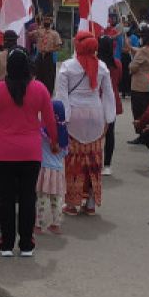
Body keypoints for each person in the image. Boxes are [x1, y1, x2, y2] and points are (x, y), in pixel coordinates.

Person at [0, 49, 58, 256]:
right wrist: (54, 142)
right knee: (27, 197)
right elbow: (50, 120)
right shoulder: (40, 89)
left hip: (4, 151)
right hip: (31, 152)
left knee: (5, 198)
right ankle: (26, 244)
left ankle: (6, 243)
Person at [56, 31, 116, 216]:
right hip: (96, 114)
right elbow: (108, 94)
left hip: (74, 114)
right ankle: (90, 203)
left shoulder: (67, 67)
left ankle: (72, 204)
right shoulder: (103, 67)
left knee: (73, 161)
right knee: (93, 159)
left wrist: (63, 119)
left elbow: (61, 96)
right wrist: (109, 117)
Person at [36, 100, 69, 235]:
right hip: (58, 171)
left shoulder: (43, 132)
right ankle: (56, 224)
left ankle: (38, 225)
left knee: (41, 199)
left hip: (44, 170)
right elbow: (66, 152)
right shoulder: (64, 135)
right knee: (56, 199)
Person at [97, 35, 123, 175]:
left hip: (97, 100)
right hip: (112, 100)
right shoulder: (117, 63)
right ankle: (107, 165)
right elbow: (118, 80)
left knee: (94, 134)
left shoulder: (96, 64)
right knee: (110, 133)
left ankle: (95, 161)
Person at [127, 27, 149, 128]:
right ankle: (147, 132)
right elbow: (140, 52)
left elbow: (133, 67)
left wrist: (131, 62)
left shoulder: (142, 51)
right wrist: (133, 49)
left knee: (138, 111)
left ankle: (141, 133)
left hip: (139, 85)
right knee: (147, 110)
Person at [31, 15, 62, 94]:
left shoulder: (55, 34)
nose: (46, 23)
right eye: (45, 21)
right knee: (38, 74)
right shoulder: (39, 31)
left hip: (49, 56)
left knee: (49, 76)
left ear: (51, 23)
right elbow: (30, 34)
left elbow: (58, 47)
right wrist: (38, 26)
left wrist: (49, 49)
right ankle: (37, 90)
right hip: (40, 56)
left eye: (48, 22)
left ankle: (48, 92)